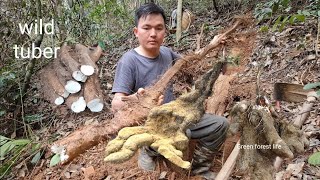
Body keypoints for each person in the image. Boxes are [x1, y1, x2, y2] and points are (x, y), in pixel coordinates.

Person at [111, 3, 229, 179]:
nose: (153, 33)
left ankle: (199, 167)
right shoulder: (129, 61)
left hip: (177, 114)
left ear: (165, 31)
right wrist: (137, 99)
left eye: (159, 28)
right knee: (182, 134)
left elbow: (191, 64)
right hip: (150, 123)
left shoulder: (167, 53)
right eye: (147, 28)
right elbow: (116, 104)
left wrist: (213, 46)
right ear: (136, 32)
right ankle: (148, 150)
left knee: (220, 124)